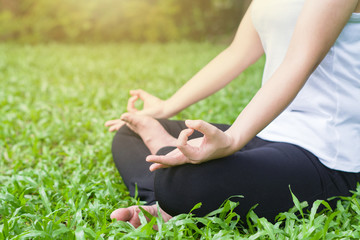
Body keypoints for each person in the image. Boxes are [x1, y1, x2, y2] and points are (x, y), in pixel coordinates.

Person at [105, 0, 360, 227]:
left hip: (322, 151)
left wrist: (233, 139)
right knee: (130, 133)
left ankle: (165, 188)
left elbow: (298, 61)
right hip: (264, 129)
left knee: (183, 180)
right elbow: (237, 53)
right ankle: (167, 201)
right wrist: (165, 107)